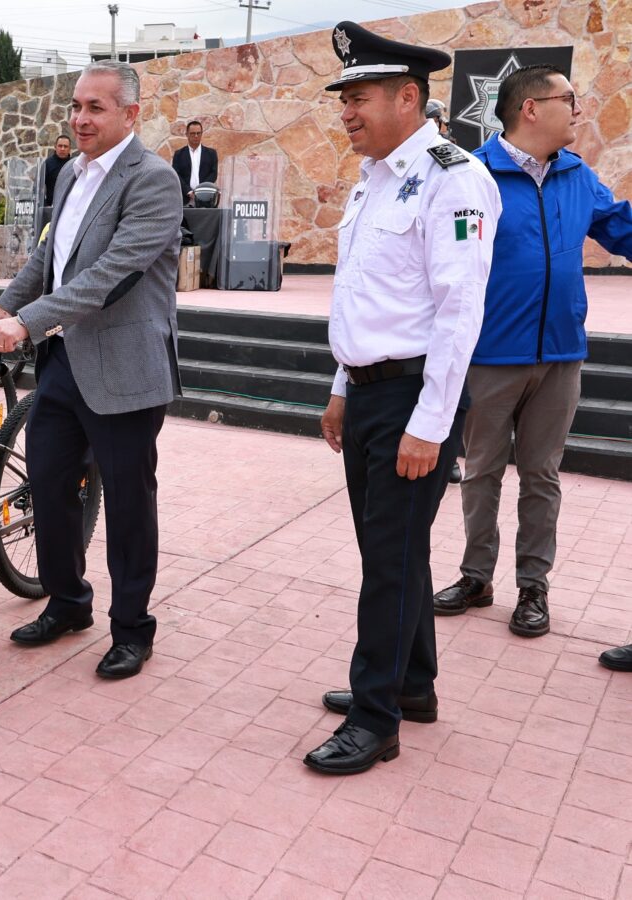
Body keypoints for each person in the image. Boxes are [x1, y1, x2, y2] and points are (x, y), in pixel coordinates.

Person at [308, 21, 500, 775]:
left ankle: (375, 716)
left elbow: (459, 312)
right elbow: (362, 298)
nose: (347, 112)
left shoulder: (454, 177)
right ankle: (412, 685)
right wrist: (339, 388)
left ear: (409, 96)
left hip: (415, 400)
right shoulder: (376, 175)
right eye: (344, 99)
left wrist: (430, 423)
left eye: (359, 98)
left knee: (387, 562)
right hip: (369, 393)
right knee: (395, 553)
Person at [0, 60, 182, 681]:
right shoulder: (71, 172)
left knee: (126, 502)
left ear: (130, 114)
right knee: (47, 482)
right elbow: (52, 253)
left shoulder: (152, 181)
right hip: (64, 366)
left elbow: (111, 274)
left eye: (96, 107)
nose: (80, 117)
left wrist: (28, 320)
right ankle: (68, 603)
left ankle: (132, 629)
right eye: (76, 105)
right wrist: (7, 302)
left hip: (124, 369)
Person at [432, 65, 632, 640]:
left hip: (561, 354)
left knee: (542, 475)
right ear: (530, 109)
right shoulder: (474, 176)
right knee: (483, 473)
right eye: (568, 98)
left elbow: (620, 227)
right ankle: (476, 577)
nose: (578, 108)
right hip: (493, 354)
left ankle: (533, 587)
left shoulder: (576, 174)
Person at [170, 120, 218, 206]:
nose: (196, 136)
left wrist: (200, 191)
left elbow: (213, 174)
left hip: (206, 199)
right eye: (192, 133)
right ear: (187, 134)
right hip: (184, 199)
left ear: (201, 134)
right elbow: (176, 175)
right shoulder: (179, 154)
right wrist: (188, 191)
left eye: (198, 133)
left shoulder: (211, 154)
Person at [42, 135, 73, 208]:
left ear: (69, 149)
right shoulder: (47, 164)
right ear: (55, 147)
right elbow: (38, 187)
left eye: (65, 146)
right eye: (60, 146)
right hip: (52, 207)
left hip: (70, 207)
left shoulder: (74, 164)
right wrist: (45, 205)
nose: (62, 149)